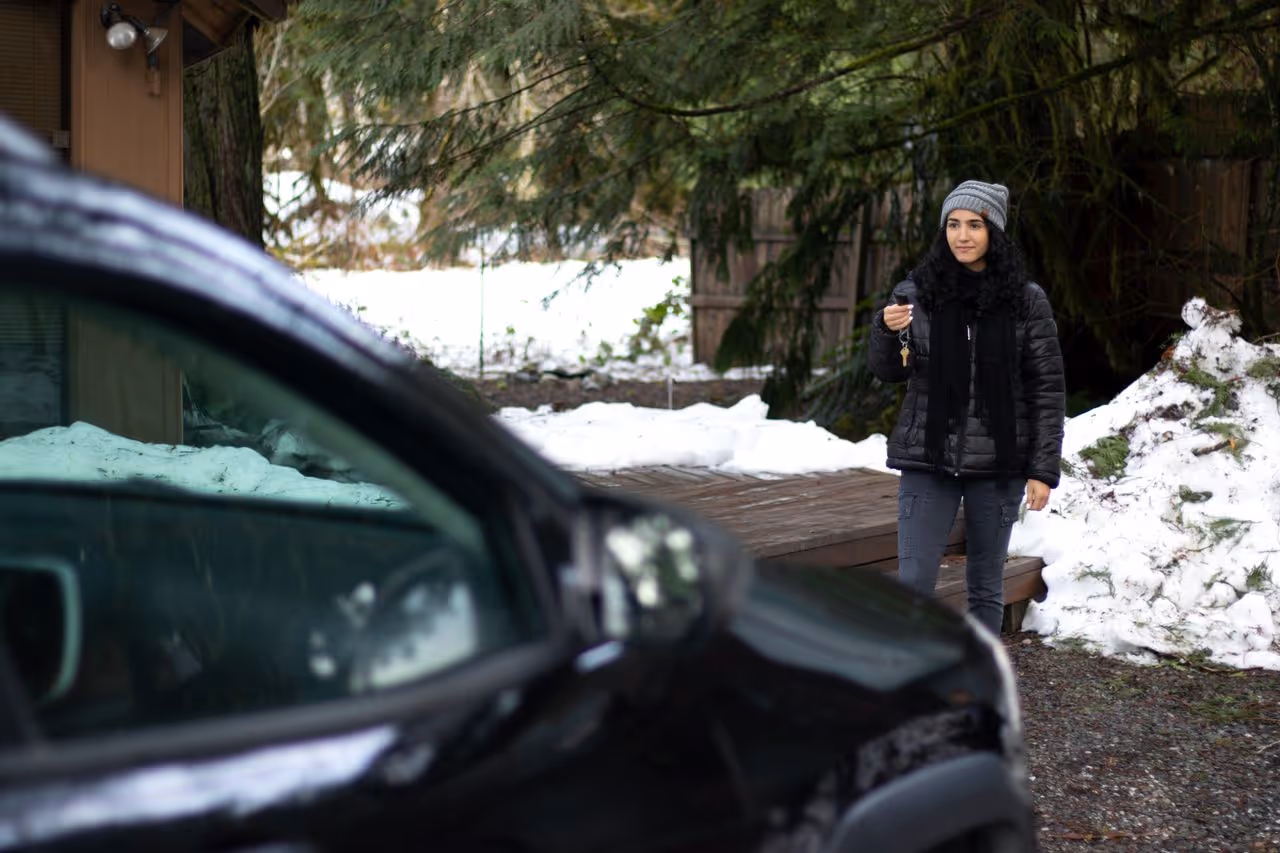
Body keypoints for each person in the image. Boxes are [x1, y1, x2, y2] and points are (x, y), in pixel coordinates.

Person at [870, 180, 1066, 635]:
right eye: (954, 224)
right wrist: (884, 329)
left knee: (984, 586)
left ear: (993, 232)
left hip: (999, 463)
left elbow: (1047, 389)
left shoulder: (1026, 300)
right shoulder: (916, 292)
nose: (963, 235)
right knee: (915, 583)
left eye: (974, 225)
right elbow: (889, 371)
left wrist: (1042, 468)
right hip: (927, 459)